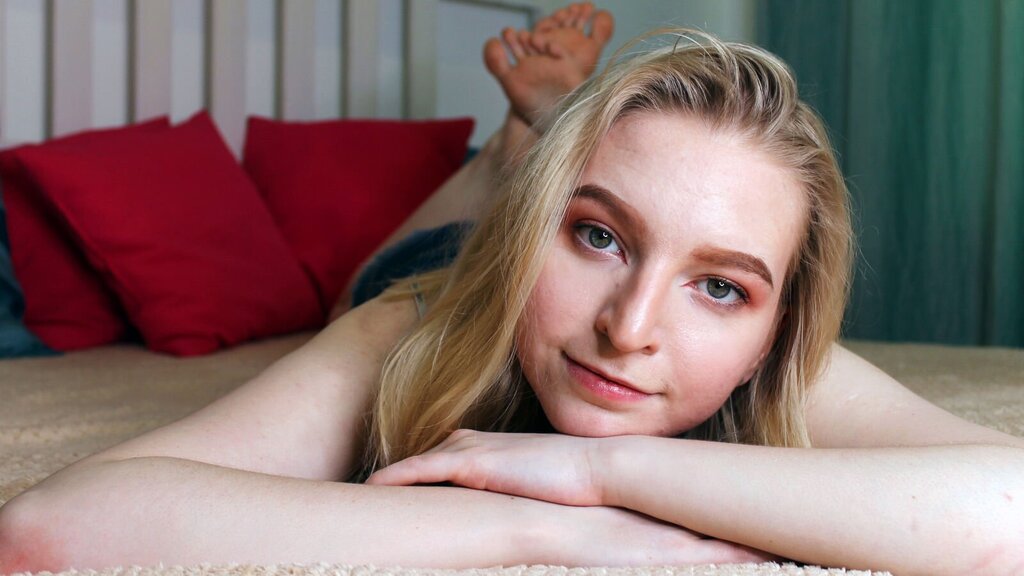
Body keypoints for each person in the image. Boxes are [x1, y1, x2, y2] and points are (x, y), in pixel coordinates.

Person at [1, 4, 1022, 574]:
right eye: (597, 236)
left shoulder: (777, 356)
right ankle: (523, 148)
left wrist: (596, 471)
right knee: (373, 277)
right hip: (444, 271)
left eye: (717, 287)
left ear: (774, 326)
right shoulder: (404, 329)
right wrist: (547, 528)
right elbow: (50, 531)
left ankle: (544, 140)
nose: (630, 329)